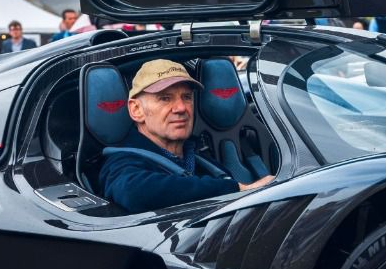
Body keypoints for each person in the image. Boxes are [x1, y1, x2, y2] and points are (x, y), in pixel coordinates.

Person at [98, 60, 274, 212]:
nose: (181, 108)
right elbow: (133, 192)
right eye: (165, 98)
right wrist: (238, 188)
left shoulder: (201, 159)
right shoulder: (122, 161)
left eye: (187, 97)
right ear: (136, 110)